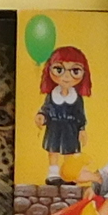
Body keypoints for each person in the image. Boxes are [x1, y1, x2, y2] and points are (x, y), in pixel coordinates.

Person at [37, 45, 91, 184]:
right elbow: (47, 108)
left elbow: (80, 114)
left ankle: (68, 174)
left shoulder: (77, 98)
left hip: (70, 129)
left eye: (75, 71)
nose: (66, 76)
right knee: (53, 151)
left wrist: (82, 129)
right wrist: (42, 116)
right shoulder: (52, 95)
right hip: (54, 127)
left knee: (70, 153)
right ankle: (53, 174)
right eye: (59, 70)